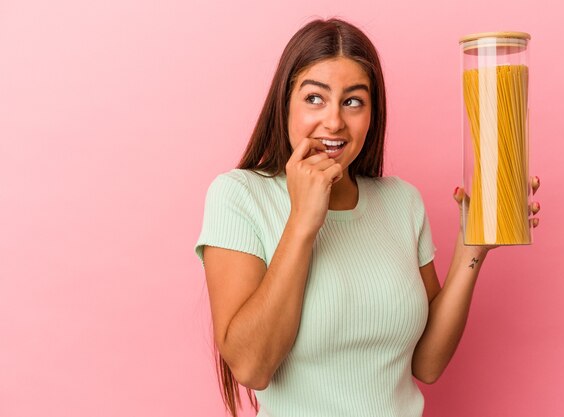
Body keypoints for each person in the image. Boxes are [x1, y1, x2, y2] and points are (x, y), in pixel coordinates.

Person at [194, 17, 541, 417]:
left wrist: (473, 244)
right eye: (314, 98)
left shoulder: (401, 201)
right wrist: (303, 220)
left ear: (372, 112)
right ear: (284, 103)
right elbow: (252, 367)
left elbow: (426, 365)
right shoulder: (239, 196)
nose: (335, 121)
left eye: (353, 100)